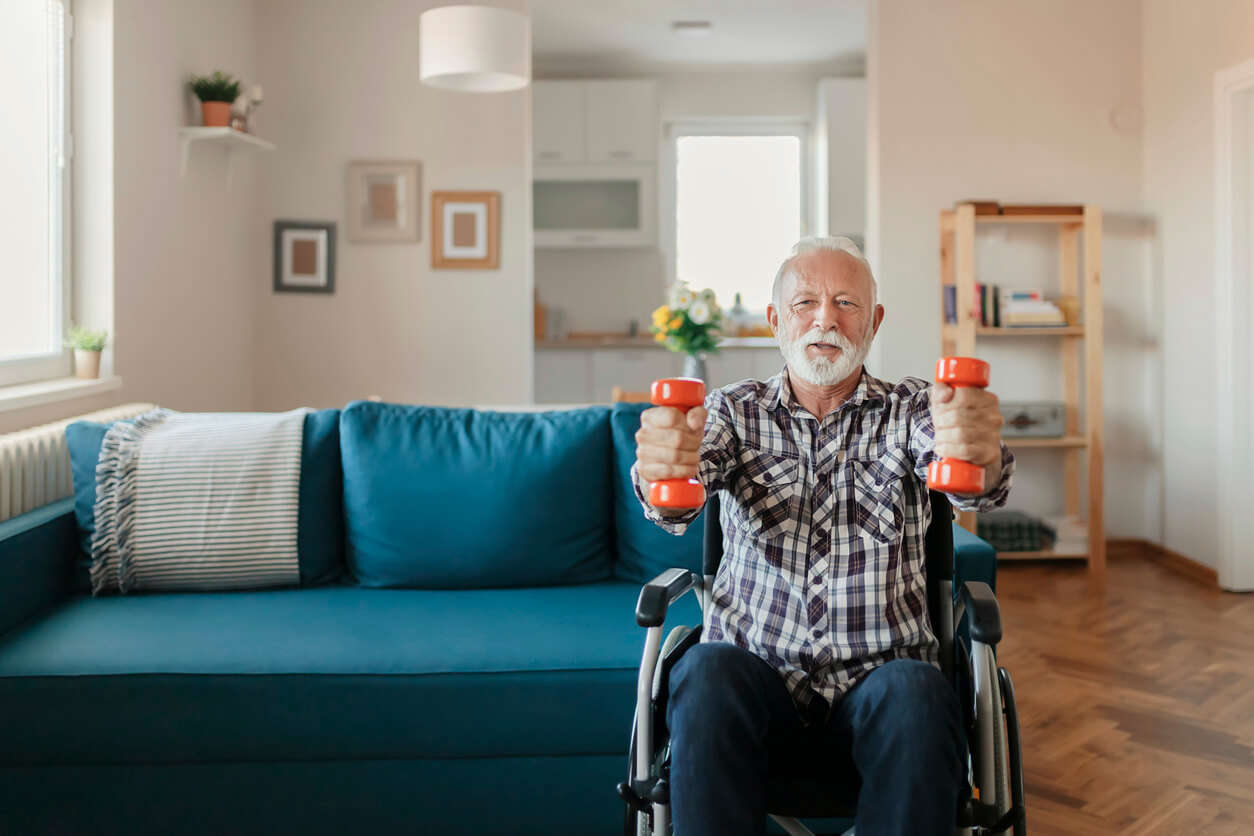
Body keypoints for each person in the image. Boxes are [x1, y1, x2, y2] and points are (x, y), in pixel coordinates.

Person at [630, 236, 1014, 836]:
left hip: (883, 693)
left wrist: (979, 454)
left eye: (846, 303)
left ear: (875, 321)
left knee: (921, 688)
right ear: (776, 320)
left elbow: (967, 480)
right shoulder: (734, 411)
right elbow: (677, 498)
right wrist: (660, 470)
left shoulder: (911, 408)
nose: (825, 319)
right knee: (703, 671)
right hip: (754, 694)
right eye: (805, 301)